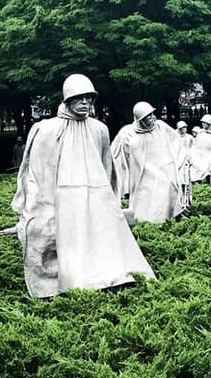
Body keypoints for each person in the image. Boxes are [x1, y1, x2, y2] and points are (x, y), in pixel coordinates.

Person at [11, 74, 155, 298]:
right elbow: (38, 172)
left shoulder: (99, 129)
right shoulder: (47, 130)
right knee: (64, 243)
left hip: (96, 194)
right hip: (63, 196)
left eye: (89, 98)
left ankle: (107, 278)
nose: (85, 103)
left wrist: (110, 200)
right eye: (80, 98)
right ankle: (64, 284)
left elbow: (107, 167)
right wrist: (38, 206)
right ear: (68, 100)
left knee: (101, 238)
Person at [113, 102, 185, 223]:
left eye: (152, 114)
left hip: (164, 170)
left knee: (166, 196)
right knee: (144, 201)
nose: (152, 118)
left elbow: (176, 141)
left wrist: (180, 160)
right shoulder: (127, 133)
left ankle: (167, 221)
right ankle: (146, 225)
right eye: (147, 116)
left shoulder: (161, 126)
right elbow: (118, 154)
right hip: (142, 174)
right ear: (139, 119)